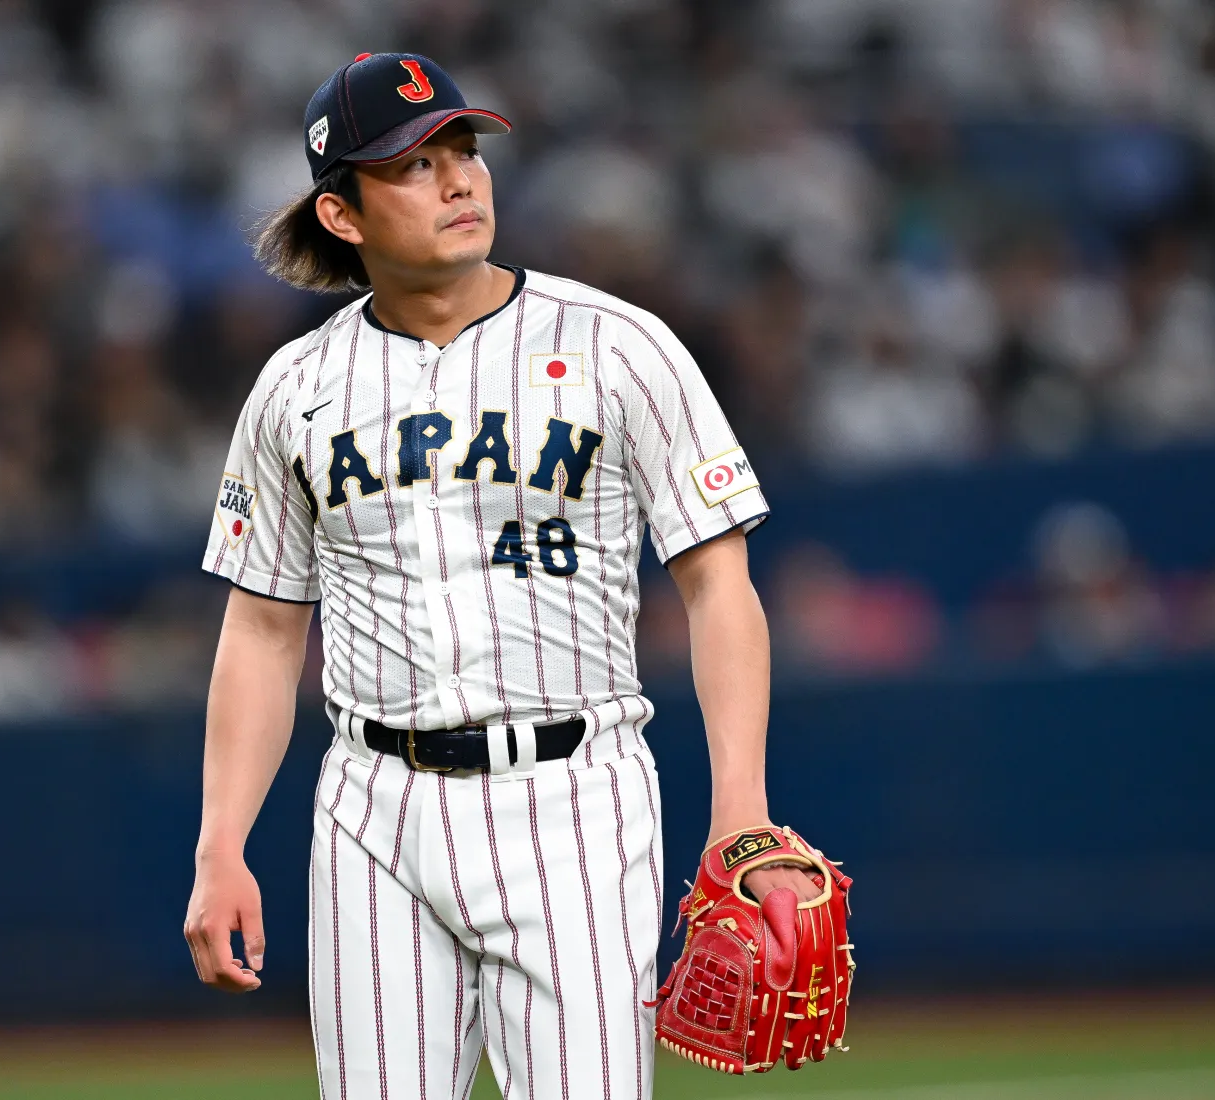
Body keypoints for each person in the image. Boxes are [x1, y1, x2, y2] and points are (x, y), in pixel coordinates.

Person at [181, 52, 817, 1099]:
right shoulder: (294, 388)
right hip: (371, 808)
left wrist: (738, 800)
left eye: (462, 150)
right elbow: (260, 628)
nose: (459, 180)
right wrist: (221, 843)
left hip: (571, 795)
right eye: (414, 165)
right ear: (341, 216)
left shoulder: (619, 346)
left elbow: (718, 583)